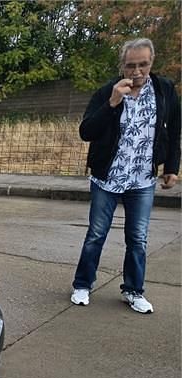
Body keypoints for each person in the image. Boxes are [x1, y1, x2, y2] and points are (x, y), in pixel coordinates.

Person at [71, 38, 180, 314]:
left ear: (151, 63)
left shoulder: (164, 90)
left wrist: (171, 168)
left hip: (142, 179)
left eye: (143, 64)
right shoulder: (107, 91)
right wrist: (112, 103)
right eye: (131, 65)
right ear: (122, 65)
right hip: (107, 178)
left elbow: (174, 130)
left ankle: (133, 290)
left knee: (138, 238)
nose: (137, 71)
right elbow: (86, 132)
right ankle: (82, 284)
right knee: (96, 234)